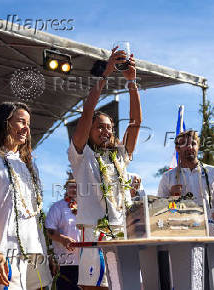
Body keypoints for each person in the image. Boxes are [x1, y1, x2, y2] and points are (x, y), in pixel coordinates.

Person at [68, 46, 141, 289]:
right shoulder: (82, 154)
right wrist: (106, 74)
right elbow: (87, 111)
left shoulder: (120, 156)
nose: (106, 130)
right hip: (93, 233)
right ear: (88, 130)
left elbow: (136, 122)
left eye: (109, 126)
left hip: (121, 232)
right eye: (99, 126)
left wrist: (132, 83)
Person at [0, 102, 52, 290]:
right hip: (2, 253)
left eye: (28, 124)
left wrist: (46, 254)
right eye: (21, 122)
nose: (26, 129)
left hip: (33, 253)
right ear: (5, 123)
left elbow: (34, 214)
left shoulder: (29, 166)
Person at [157, 130, 214, 235]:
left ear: (198, 147)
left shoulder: (213, 172)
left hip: (211, 233)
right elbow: (159, 212)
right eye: (184, 144)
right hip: (181, 235)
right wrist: (171, 197)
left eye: (193, 143)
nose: (189, 147)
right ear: (177, 149)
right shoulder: (168, 177)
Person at [46, 178, 80, 290]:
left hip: (86, 261)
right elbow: (50, 231)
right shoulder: (57, 207)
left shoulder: (85, 208)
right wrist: (63, 239)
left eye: (76, 186)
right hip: (66, 262)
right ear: (66, 189)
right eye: (71, 186)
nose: (74, 189)